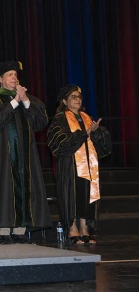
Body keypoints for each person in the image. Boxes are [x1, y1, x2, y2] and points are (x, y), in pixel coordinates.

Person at [0, 61, 51, 244]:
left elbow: (41, 123)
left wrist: (25, 100)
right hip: (3, 155)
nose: (14, 77)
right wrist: (14, 102)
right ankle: (4, 232)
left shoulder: (28, 98)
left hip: (26, 156)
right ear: (1, 79)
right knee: (4, 189)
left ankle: (20, 230)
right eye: (10, 75)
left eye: (15, 75)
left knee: (25, 188)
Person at [47, 84, 111, 245]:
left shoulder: (86, 117)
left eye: (79, 97)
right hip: (70, 164)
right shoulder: (59, 119)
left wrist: (96, 132)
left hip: (89, 164)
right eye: (73, 97)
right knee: (72, 196)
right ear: (64, 101)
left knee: (86, 195)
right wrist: (84, 134)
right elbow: (59, 142)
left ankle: (84, 228)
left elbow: (102, 145)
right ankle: (72, 229)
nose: (77, 99)